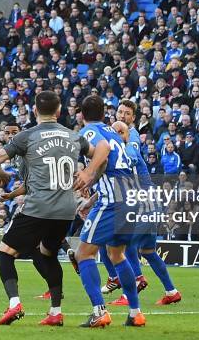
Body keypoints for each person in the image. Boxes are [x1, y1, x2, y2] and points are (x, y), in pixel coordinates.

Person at [0, 90, 100, 326]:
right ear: (59, 112)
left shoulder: (26, 136)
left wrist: (3, 175)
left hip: (38, 208)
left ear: (35, 111)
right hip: (66, 210)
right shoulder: (74, 136)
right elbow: (101, 153)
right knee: (47, 255)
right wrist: (89, 175)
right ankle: (55, 312)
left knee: (5, 254)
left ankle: (14, 304)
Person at [74, 95, 146, 328]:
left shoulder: (92, 132)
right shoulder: (114, 133)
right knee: (117, 255)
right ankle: (135, 313)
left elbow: (102, 152)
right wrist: (91, 194)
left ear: (81, 115)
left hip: (112, 202)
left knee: (83, 254)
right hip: (129, 199)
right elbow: (109, 166)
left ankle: (99, 311)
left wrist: (86, 174)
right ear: (104, 114)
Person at [102, 100, 182, 306]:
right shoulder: (114, 138)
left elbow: (132, 155)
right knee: (148, 251)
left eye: (127, 114)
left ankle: (132, 287)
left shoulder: (132, 136)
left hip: (142, 200)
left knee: (122, 243)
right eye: (119, 112)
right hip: (145, 201)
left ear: (133, 118)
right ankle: (171, 291)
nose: (122, 116)